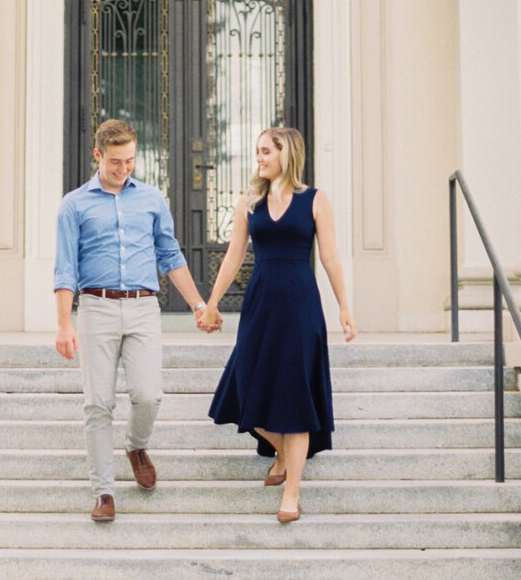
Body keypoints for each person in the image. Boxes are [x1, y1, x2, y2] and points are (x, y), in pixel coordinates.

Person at [54, 118, 212, 522]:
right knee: (98, 403)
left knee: (148, 395)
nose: (123, 169)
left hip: (143, 308)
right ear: (97, 156)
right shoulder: (74, 205)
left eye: (129, 161)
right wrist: (63, 324)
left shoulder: (152, 199)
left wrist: (198, 305)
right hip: (96, 307)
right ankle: (103, 491)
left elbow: (171, 256)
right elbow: (65, 268)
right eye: (114, 162)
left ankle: (136, 444)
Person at [200, 125, 356, 522]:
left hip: (301, 306)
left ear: (287, 154)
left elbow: (331, 258)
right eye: (258, 151)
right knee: (244, 384)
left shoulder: (316, 200)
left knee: (296, 396)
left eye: (266, 151)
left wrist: (344, 307)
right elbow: (234, 256)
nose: (260, 158)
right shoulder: (249, 201)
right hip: (260, 305)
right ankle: (283, 453)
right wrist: (212, 303)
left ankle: (291, 493)